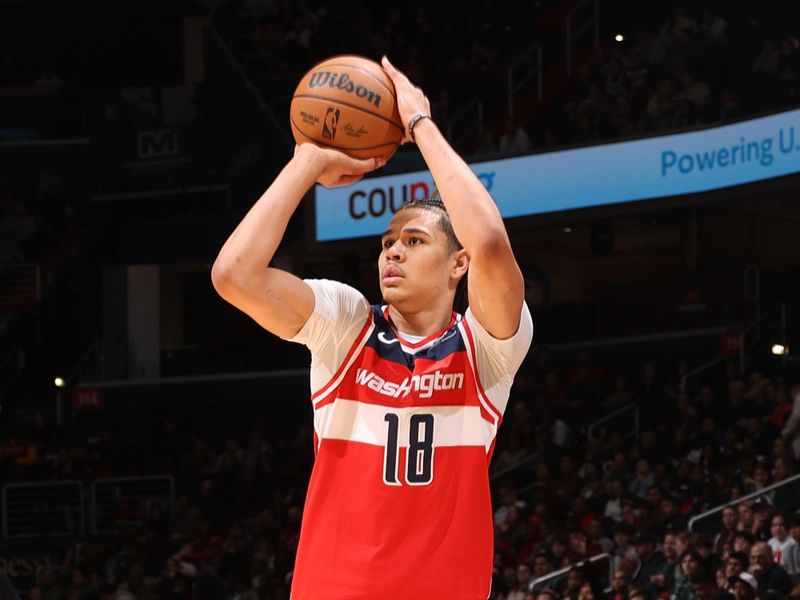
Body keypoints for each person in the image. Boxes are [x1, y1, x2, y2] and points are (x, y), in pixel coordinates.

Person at [212, 55, 533, 599]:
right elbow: (234, 275)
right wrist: (307, 162)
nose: (393, 253)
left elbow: (492, 245)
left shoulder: (487, 350)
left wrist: (419, 125)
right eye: (387, 243)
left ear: (458, 264)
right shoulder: (348, 324)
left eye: (414, 241)